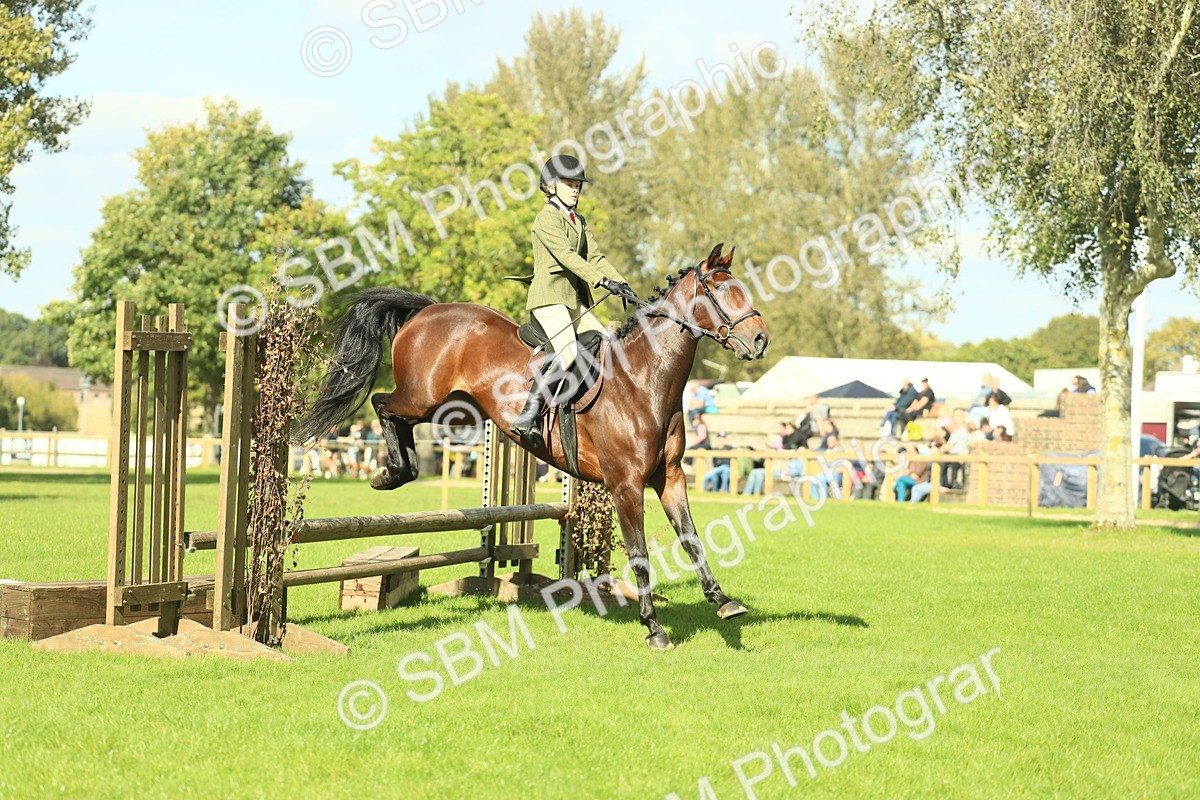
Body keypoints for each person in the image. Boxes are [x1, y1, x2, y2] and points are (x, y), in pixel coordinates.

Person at [510, 154, 640, 449]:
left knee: (608, 345)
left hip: (572, 300)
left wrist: (622, 284)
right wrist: (601, 281)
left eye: (578, 185)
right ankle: (528, 415)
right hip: (549, 297)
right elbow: (567, 257)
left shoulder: (578, 220)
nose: (575, 189)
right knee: (568, 352)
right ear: (551, 186)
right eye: (570, 184)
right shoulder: (546, 218)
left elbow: (595, 257)